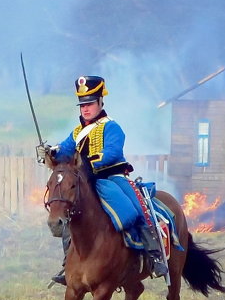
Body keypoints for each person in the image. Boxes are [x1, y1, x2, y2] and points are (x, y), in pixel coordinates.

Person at [42, 76, 168, 286]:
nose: (86, 109)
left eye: (90, 103)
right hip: (84, 183)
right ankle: (68, 264)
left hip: (110, 178)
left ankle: (154, 257)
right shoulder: (77, 132)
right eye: (82, 105)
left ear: (101, 102)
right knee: (70, 217)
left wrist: (91, 160)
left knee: (132, 210)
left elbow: (112, 152)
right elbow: (65, 149)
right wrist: (52, 151)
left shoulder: (112, 127)